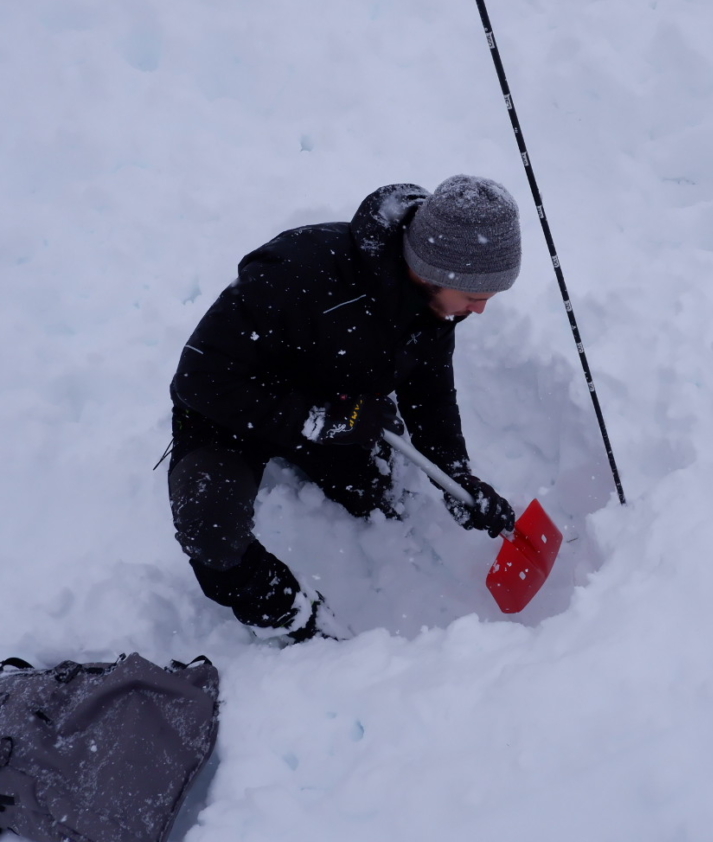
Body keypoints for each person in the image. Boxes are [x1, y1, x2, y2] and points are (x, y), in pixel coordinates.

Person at [167, 175, 521, 643]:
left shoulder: (438, 306)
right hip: (230, 414)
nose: (480, 311)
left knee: (377, 497)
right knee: (211, 536)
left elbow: (429, 393)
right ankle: (293, 619)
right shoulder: (297, 270)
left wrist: (456, 478)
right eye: (476, 297)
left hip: (341, 407)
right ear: (436, 271)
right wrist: (317, 420)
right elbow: (197, 381)